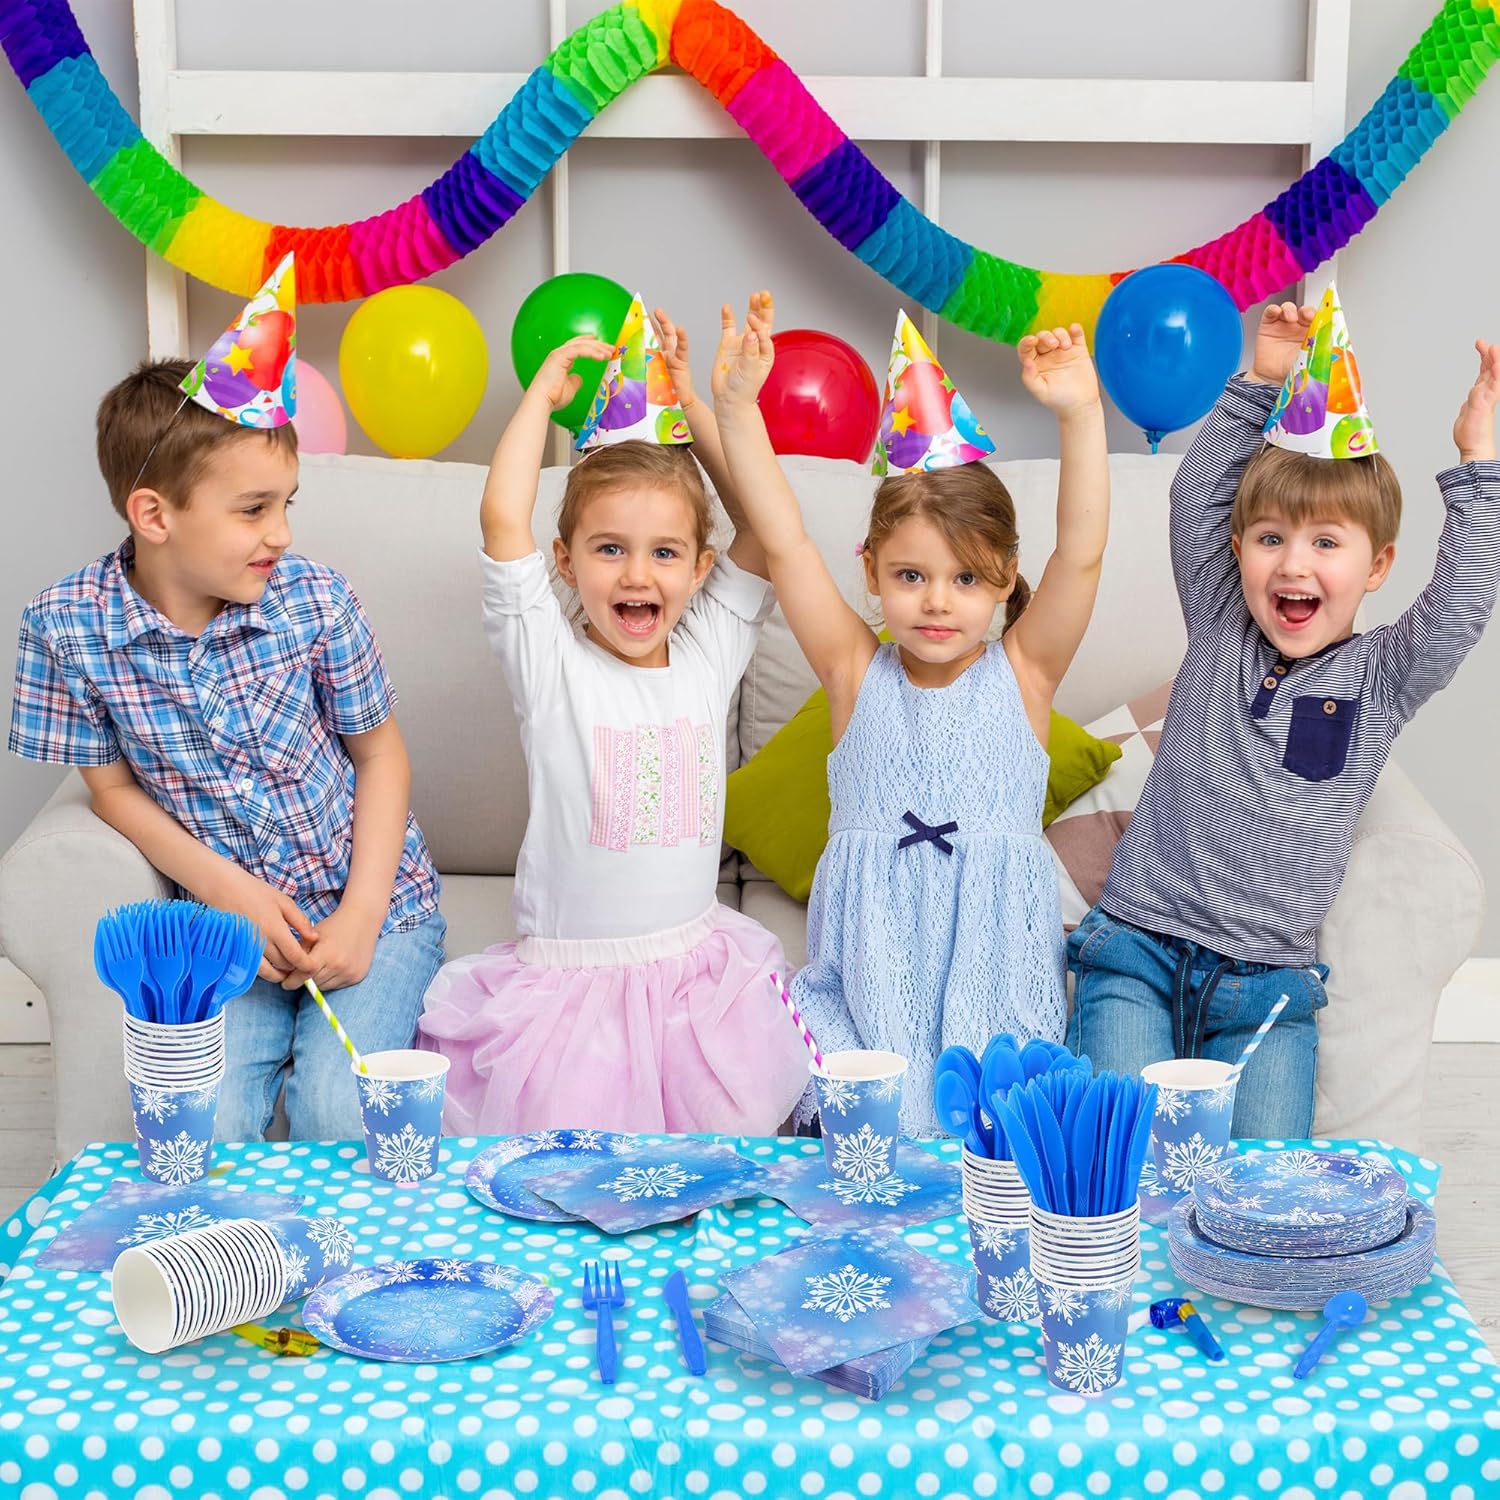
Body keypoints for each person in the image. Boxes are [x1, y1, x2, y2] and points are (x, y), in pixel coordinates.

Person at [1067, 294, 1500, 1140]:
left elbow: (1459, 607)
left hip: (1266, 992)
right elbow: (1195, 496)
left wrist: (1477, 465)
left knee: (1269, 1185)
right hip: (1136, 954)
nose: (1293, 564)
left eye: (1326, 543)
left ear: (1377, 566)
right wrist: (1260, 381)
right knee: (1118, 1155)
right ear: (1237, 552)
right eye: (1270, 539)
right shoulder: (1219, 618)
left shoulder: (1382, 676)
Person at [9, 357, 444, 1141]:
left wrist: (361, 916)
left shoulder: (315, 600)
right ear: (154, 514)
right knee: (204, 1125)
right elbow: (110, 790)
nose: (281, 533)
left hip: (378, 912)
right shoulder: (66, 628)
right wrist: (226, 891)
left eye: (286, 503)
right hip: (224, 933)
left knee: (338, 1111)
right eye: (253, 509)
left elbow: (382, 756)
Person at [714, 293, 1111, 1137]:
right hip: (869, 973)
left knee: (997, 1141)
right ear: (871, 572)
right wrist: (739, 411)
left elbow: (1081, 554)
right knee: (855, 1143)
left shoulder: (1024, 674)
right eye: (911, 576)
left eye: (965, 579)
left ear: (1005, 577)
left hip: (995, 971)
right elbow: (784, 542)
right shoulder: (854, 671)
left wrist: (1081, 415)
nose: (937, 602)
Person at [416, 303, 809, 1134]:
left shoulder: (708, 655)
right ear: (565, 562)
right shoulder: (550, 666)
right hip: (572, 986)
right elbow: (502, 522)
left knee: (710, 1162)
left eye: (664, 553)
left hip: (694, 978)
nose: (637, 574)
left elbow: (764, 530)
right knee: (571, 1168)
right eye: (609, 549)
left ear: (701, 568)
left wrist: (698, 409)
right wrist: (538, 401)